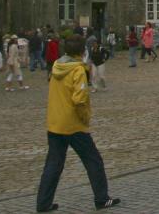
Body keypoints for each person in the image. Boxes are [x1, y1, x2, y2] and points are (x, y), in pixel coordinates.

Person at [36, 35, 120, 212]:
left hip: (55, 123)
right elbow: (80, 99)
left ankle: (43, 203)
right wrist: (85, 118)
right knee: (93, 160)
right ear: (82, 52)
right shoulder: (78, 70)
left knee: (53, 164)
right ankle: (101, 198)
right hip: (73, 125)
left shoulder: (57, 66)